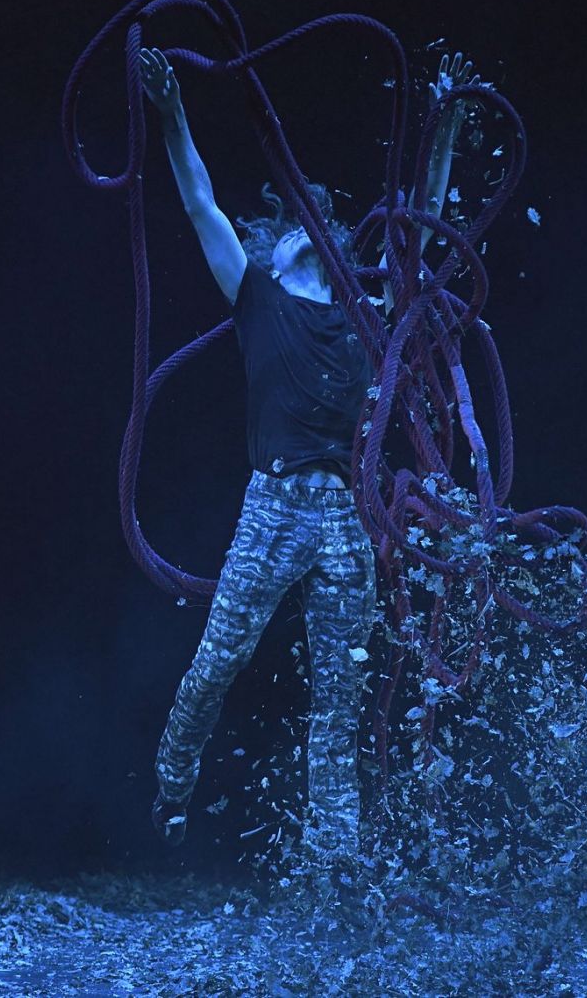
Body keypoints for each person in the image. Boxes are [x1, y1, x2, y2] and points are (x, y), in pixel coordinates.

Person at [139, 45, 475, 878]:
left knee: (339, 698)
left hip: (342, 517)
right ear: (277, 247)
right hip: (274, 505)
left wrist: (443, 128)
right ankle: (172, 787)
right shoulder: (256, 296)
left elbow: (420, 230)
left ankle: (334, 867)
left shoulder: (367, 312)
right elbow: (199, 200)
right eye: (297, 226)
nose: (310, 231)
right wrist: (172, 113)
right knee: (217, 662)